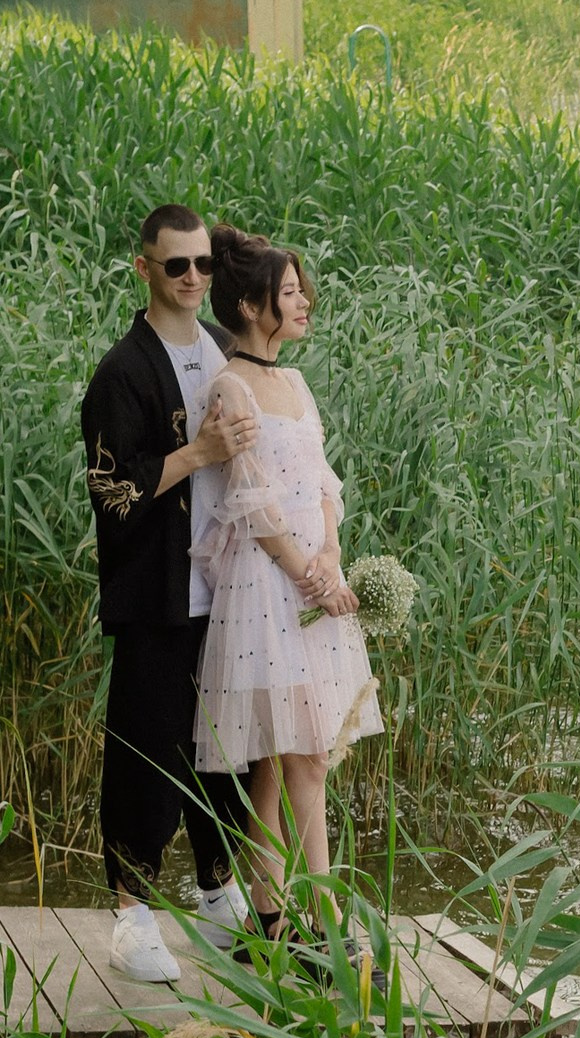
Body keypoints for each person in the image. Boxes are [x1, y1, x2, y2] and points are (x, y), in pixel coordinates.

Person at [81, 204, 259, 983]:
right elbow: (112, 495)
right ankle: (131, 912)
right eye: (176, 264)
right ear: (144, 268)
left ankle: (218, 892)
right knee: (146, 752)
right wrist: (196, 452)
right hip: (157, 596)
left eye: (203, 265)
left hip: (228, 593)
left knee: (226, 752)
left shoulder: (225, 349)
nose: (192, 278)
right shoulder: (122, 371)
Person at [192, 226, 382, 939]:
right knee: (306, 754)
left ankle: (272, 918)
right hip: (267, 584)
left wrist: (330, 553)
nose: (304, 303)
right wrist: (307, 573)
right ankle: (326, 925)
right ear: (250, 306)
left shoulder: (296, 382)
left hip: (313, 577)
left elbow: (323, 482)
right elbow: (250, 499)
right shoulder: (230, 385)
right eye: (291, 293)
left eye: (303, 291)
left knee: (284, 761)